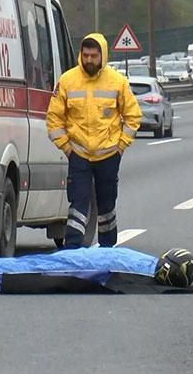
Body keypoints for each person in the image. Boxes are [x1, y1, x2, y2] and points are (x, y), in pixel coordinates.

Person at [46, 33, 142, 248]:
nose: (89, 60)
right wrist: (67, 148)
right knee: (78, 203)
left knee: (106, 205)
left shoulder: (117, 82)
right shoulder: (67, 81)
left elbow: (133, 116)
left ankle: (108, 250)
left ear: (103, 56)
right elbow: (53, 118)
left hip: (108, 155)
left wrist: (121, 146)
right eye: (85, 55)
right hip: (78, 155)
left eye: (94, 56)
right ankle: (72, 250)